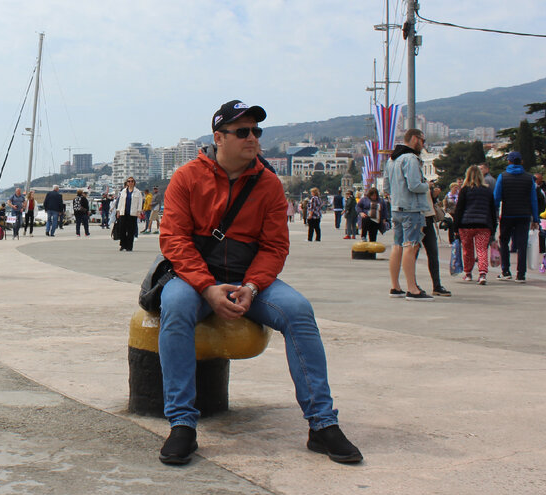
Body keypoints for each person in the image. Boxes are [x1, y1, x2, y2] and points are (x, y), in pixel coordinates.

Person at [157, 100, 361, 466]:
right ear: (219, 138)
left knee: (299, 311)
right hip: (195, 278)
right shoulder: (188, 177)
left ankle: (322, 424)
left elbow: (274, 246)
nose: (253, 138)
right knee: (174, 307)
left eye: (256, 131)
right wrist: (206, 287)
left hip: (250, 280)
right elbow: (174, 239)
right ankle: (182, 423)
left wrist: (251, 287)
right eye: (242, 132)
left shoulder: (267, 184)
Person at [384, 128, 433, 300]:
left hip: (396, 208)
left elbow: (386, 188)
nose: (423, 144)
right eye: (423, 140)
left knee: (397, 246)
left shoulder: (392, 159)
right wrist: (428, 186)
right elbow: (414, 185)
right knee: (410, 246)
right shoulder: (410, 159)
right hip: (411, 209)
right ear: (414, 139)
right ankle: (412, 288)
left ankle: (395, 286)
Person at [493, 152, 539, 282]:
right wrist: (535, 219)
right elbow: (533, 200)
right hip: (524, 215)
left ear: (509, 162)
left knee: (504, 241)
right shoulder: (529, 178)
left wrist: (493, 213)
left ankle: (506, 270)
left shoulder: (503, 177)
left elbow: (496, 198)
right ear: (521, 162)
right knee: (522, 244)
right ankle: (521, 274)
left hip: (507, 214)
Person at [452, 165, 497, 284]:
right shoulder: (487, 190)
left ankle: (468, 273)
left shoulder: (465, 190)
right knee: (482, 249)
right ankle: (482, 273)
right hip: (483, 224)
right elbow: (492, 209)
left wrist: (455, 226)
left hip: (466, 224)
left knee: (467, 250)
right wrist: (493, 226)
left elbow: (459, 209)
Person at [419, 182, 451, 296]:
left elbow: (427, 198)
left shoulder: (420, 174)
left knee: (433, 252)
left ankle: (437, 285)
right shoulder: (410, 169)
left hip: (428, 217)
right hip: (416, 216)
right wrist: (426, 186)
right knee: (413, 252)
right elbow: (413, 188)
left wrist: (433, 195)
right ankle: (412, 285)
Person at [113, 177, 144, 252]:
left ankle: (129, 246)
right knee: (122, 229)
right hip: (123, 212)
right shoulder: (123, 191)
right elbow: (120, 202)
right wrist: (118, 211)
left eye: (132, 181)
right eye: (129, 181)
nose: (130, 183)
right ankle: (123, 245)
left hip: (132, 213)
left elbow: (140, 203)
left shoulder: (137, 192)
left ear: (134, 182)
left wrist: (139, 212)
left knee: (131, 230)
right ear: (127, 183)